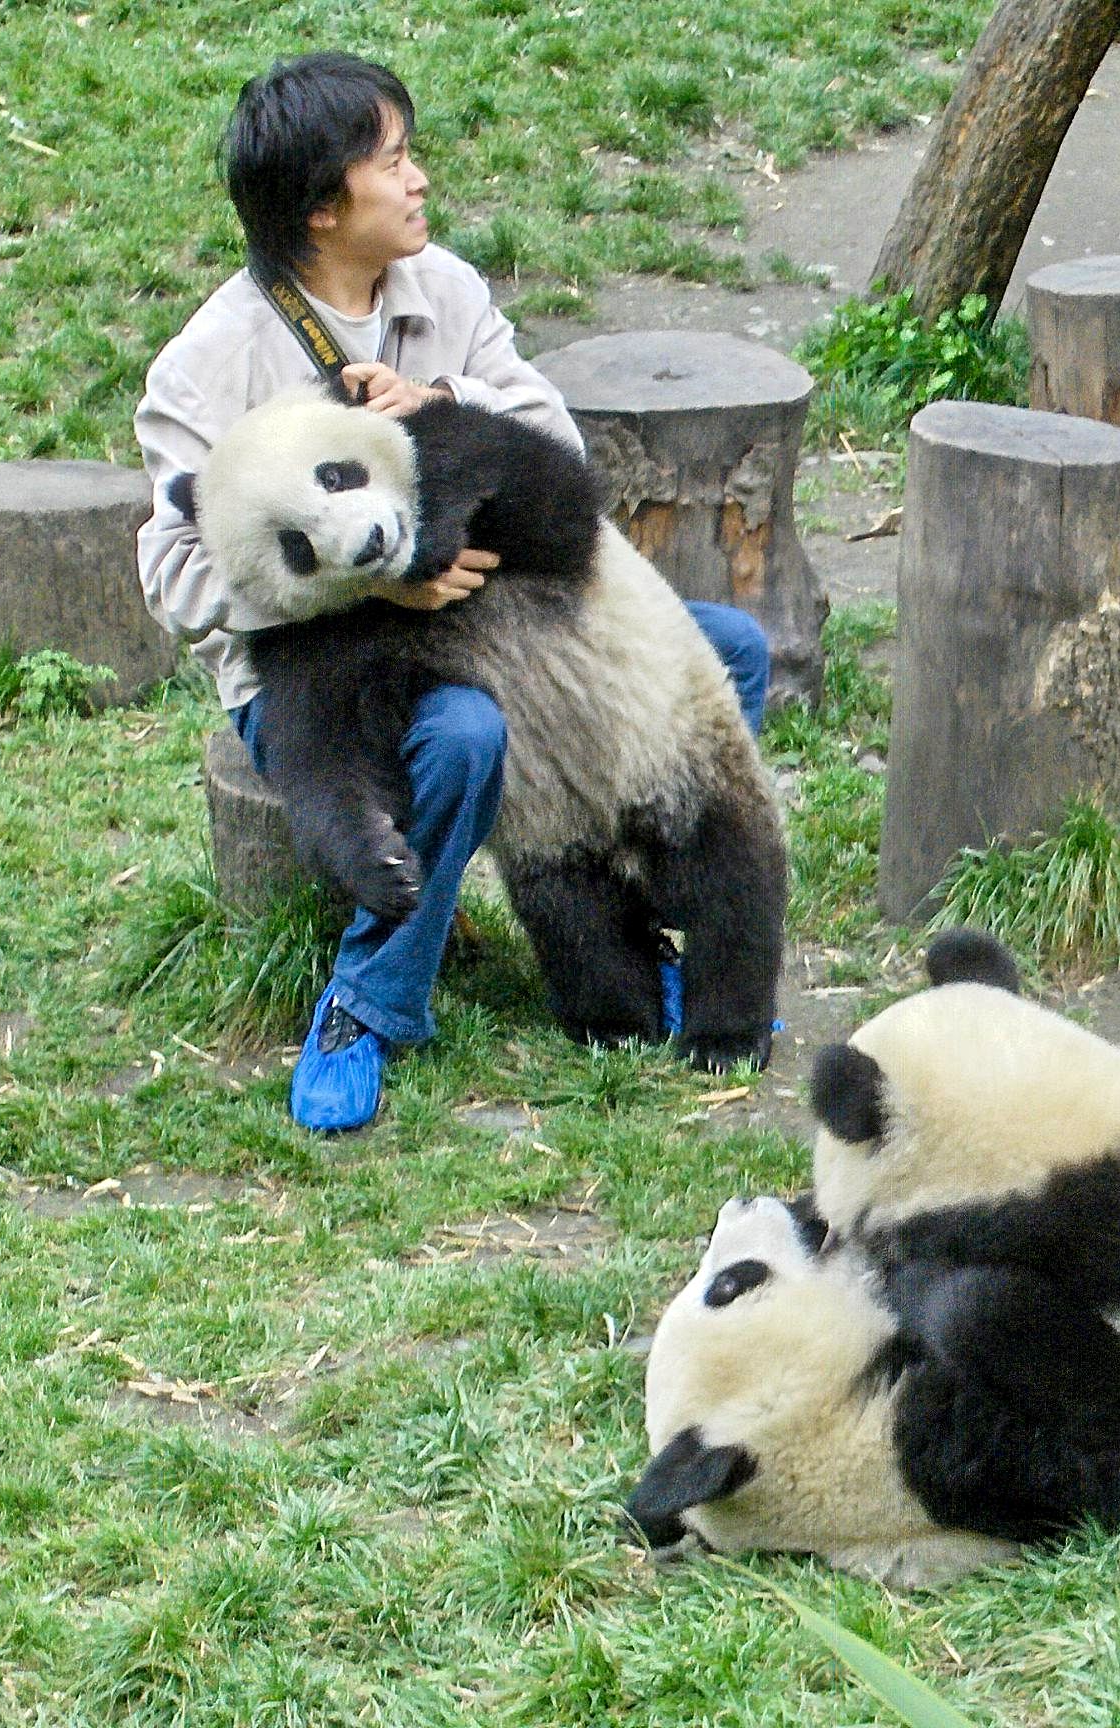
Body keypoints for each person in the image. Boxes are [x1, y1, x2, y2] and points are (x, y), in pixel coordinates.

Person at [134, 52, 771, 1133]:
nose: (420, 177)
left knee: (734, 651)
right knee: (467, 738)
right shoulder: (208, 367)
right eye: (394, 160)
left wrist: (442, 402)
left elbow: (560, 453)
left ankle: (647, 894)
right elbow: (172, 572)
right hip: (333, 659)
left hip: (509, 625)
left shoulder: (448, 293)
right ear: (326, 207)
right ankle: (368, 1000)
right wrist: (371, 591)